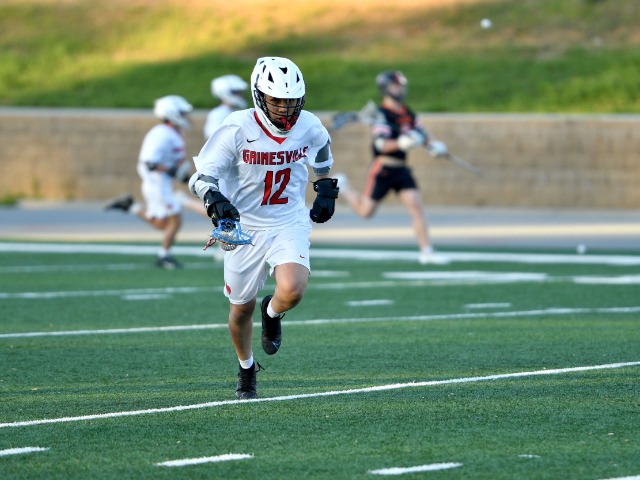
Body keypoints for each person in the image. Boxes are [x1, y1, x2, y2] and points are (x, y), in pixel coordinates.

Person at [188, 56, 339, 399]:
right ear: (259, 96)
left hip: (288, 219)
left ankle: (271, 313)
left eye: (292, 101)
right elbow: (201, 177)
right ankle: (246, 369)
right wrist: (214, 197)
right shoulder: (236, 128)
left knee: (293, 290)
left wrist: (325, 190)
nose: (285, 110)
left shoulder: (310, 126)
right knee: (240, 308)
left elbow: (322, 160)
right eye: (277, 100)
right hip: (244, 226)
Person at [335, 71, 449, 265]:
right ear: (385, 88)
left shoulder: (407, 113)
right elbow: (381, 145)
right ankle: (343, 187)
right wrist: (402, 142)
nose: (399, 89)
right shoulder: (381, 115)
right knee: (366, 212)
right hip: (383, 169)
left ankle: (427, 251)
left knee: (417, 208)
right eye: (395, 85)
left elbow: (421, 133)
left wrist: (433, 146)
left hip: (402, 170)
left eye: (401, 85)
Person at [105, 95, 193, 269]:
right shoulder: (160, 133)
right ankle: (164, 256)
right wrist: (173, 171)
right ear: (171, 114)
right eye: (182, 113)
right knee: (175, 220)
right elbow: (150, 163)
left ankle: (131, 206)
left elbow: (173, 161)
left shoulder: (174, 133)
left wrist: (184, 176)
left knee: (163, 224)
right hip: (156, 182)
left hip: (162, 182)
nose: (185, 117)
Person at [175, 74, 250, 264]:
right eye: (236, 92)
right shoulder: (219, 114)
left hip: (236, 168)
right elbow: (217, 142)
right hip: (226, 169)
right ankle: (226, 246)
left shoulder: (234, 113)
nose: (240, 95)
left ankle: (228, 245)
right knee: (225, 205)